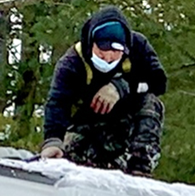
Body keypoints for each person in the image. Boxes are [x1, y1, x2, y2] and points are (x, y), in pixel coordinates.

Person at [41, 6, 167, 176]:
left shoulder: (139, 47)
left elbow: (159, 82)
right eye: (102, 53)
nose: (108, 58)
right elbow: (57, 103)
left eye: (115, 53)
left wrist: (121, 87)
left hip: (127, 123)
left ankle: (140, 166)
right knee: (68, 155)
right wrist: (53, 142)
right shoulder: (71, 63)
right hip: (88, 125)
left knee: (151, 102)